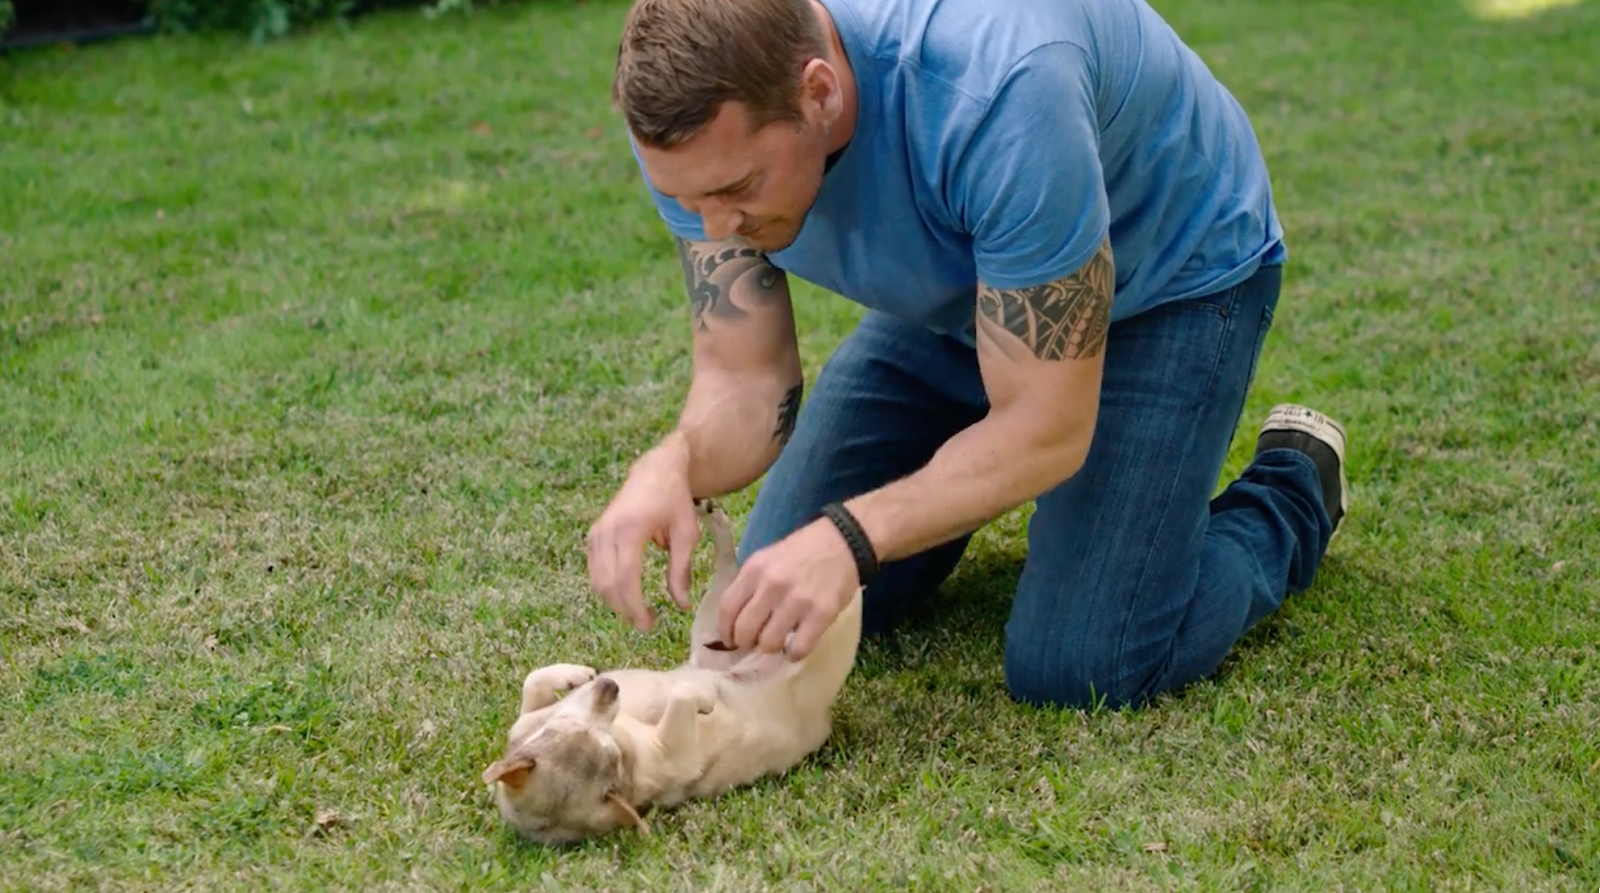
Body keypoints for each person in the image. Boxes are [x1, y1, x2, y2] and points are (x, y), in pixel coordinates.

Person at [584, 0, 1349, 710]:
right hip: (966, 297)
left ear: (818, 92)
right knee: (781, 608)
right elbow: (745, 375)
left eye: (738, 189)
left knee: (1085, 662)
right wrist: (674, 461)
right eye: (689, 203)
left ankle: (1293, 485)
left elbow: (1048, 425)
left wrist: (853, 535)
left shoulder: (1002, 88)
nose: (714, 229)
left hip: (1169, 279)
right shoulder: (690, 129)